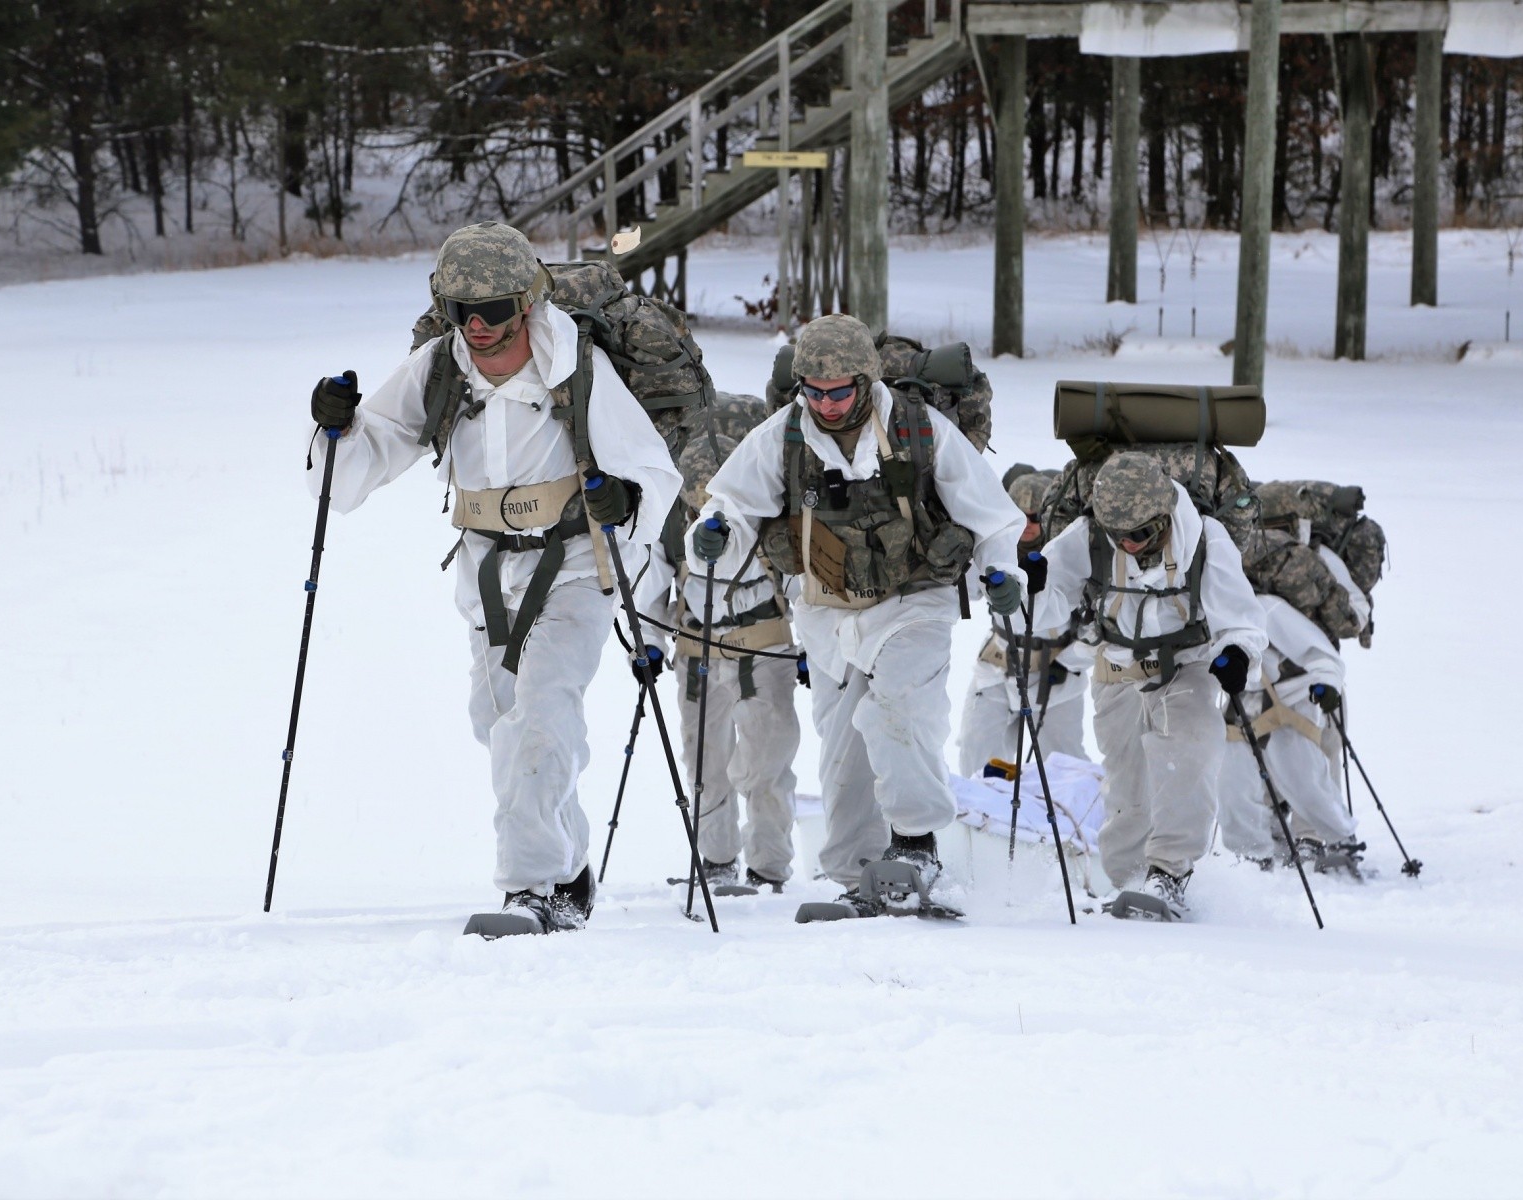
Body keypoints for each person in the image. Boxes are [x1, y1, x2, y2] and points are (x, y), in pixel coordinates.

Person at [305, 222, 680, 935]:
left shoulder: (580, 370)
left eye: (494, 311)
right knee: (499, 725)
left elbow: (652, 469)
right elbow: (371, 451)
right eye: (460, 312)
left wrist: (626, 501)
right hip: (485, 574)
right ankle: (568, 868)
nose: (477, 328)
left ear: (528, 303)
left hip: (573, 567)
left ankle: (531, 888)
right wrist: (336, 427)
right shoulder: (440, 368)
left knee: (540, 721)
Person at [688, 314, 1026, 916]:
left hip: (915, 600)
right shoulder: (782, 435)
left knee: (900, 710)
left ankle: (916, 847)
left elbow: (993, 516)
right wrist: (714, 534)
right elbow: (734, 504)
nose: (825, 404)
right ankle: (858, 870)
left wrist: (1003, 573)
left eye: (838, 391)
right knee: (843, 745)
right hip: (827, 611)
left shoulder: (922, 430)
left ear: (866, 381)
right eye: (812, 391)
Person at [1032, 452, 1267, 920]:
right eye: (1118, 536)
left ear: (1161, 515)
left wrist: (1237, 652)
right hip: (1117, 665)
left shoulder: (1205, 537)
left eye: (1139, 534)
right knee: (1127, 782)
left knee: (1190, 751)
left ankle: (1169, 872)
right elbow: (1047, 604)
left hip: (1188, 662)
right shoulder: (1088, 536)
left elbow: (1240, 614)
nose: (1128, 544)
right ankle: (1127, 882)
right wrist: (1031, 584)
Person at [635, 432, 800, 894]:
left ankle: (769, 867)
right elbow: (650, 583)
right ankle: (716, 859)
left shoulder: (768, 515)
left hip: (763, 646)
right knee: (704, 758)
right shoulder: (669, 522)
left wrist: (809, 648)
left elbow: (800, 581)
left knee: (767, 760)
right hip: (695, 647)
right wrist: (646, 643)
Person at [956, 467, 1093, 777]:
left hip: (1056, 680)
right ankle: (982, 819)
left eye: (1035, 517)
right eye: (1020, 516)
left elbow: (1098, 624)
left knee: (1064, 769)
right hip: (996, 670)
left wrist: (1072, 661)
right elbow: (963, 589)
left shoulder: (1069, 557)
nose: (1028, 526)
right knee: (976, 759)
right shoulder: (994, 550)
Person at [1214, 595, 1364, 874]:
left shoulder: (1269, 609)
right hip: (1243, 697)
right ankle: (1250, 855)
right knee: (1232, 781)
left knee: (1302, 776)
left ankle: (1339, 838)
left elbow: (1322, 654)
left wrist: (1327, 682)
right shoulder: (1210, 609)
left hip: (1294, 696)